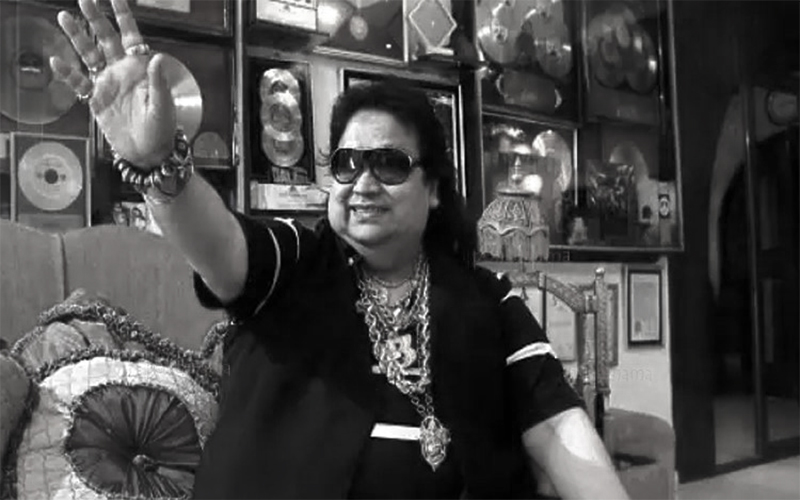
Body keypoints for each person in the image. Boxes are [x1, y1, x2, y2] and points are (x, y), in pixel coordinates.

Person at [51, 0, 629, 497]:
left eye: (390, 163)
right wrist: (161, 170)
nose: (364, 182)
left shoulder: (487, 299)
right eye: (348, 164)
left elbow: (556, 426)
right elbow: (221, 247)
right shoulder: (295, 263)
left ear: (433, 189)